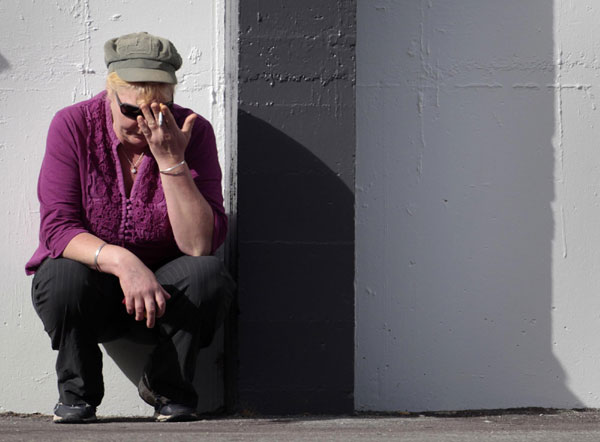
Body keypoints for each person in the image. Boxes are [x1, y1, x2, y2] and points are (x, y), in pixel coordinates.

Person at [25, 32, 235, 423]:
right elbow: (58, 227)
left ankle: (167, 387)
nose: (146, 123)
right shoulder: (73, 126)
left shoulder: (194, 132)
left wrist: (171, 160)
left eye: (160, 110)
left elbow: (198, 244)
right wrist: (123, 262)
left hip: (165, 298)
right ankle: (77, 395)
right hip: (95, 291)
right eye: (132, 111)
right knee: (60, 274)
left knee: (208, 274)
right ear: (109, 94)